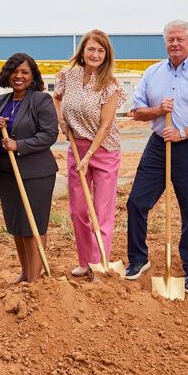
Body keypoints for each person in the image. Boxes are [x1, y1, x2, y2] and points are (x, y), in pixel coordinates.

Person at [125, 19, 188, 293]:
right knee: (136, 202)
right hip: (158, 145)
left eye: (180, 39)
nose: (175, 44)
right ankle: (137, 259)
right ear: (165, 42)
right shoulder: (153, 72)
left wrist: (182, 133)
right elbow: (137, 112)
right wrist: (158, 110)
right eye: (170, 39)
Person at [53, 31, 128, 277]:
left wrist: (90, 155)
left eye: (101, 51)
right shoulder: (68, 75)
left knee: (101, 210)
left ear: (106, 55)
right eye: (91, 49)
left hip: (104, 150)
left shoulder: (111, 85)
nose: (95, 55)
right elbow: (56, 97)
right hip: (77, 147)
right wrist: (61, 120)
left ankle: (99, 265)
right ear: (82, 51)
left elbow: (105, 126)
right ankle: (85, 261)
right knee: (78, 210)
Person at [0, 52, 59, 284]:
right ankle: (25, 272)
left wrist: (19, 145)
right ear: (7, 74)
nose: (19, 76)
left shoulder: (40, 100)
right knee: (16, 225)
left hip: (35, 174)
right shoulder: (0, 102)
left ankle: (34, 279)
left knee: (33, 223)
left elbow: (49, 134)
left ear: (32, 76)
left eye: (25, 72)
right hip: (7, 174)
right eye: (14, 71)